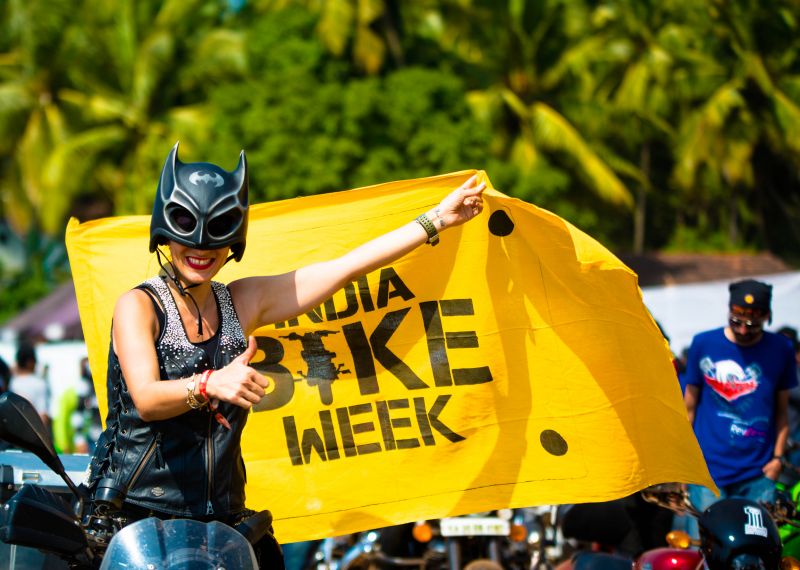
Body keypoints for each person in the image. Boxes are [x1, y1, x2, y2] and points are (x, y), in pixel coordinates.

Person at [84, 142, 485, 568]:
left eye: (217, 230)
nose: (200, 247)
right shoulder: (139, 305)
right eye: (185, 225)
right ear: (165, 229)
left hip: (217, 521)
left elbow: (346, 267)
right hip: (136, 517)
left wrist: (438, 219)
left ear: (233, 238)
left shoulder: (241, 301)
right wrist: (208, 382)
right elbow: (145, 398)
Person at [683, 279, 798, 538]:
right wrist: (684, 461)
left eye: (752, 326)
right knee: (704, 547)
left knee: (754, 550)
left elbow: (782, 413)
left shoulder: (781, 349)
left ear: (767, 317)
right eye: (737, 322)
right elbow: (688, 406)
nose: (744, 332)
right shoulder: (703, 343)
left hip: (758, 472)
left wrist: (778, 459)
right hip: (708, 470)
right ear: (729, 312)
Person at [8, 341, 50, 428]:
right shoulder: (39, 383)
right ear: (30, 362)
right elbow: (43, 415)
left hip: (12, 433)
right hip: (31, 434)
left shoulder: (11, 382)